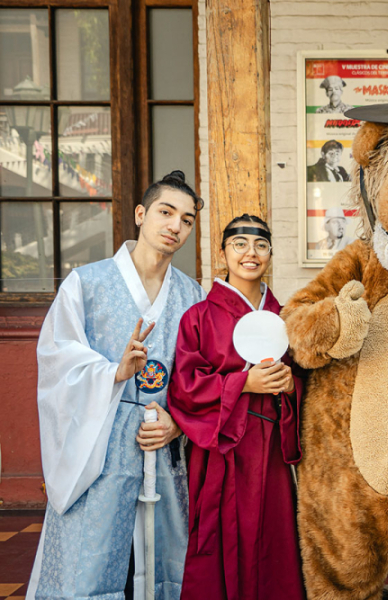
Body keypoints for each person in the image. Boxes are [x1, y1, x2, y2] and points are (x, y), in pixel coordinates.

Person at [27, 171, 205, 600]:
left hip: (162, 448)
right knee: (91, 565)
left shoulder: (193, 295)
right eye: (166, 212)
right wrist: (113, 373)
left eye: (186, 220)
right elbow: (56, 360)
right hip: (100, 449)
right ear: (141, 215)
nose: (175, 226)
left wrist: (178, 423)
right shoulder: (86, 284)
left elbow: (202, 377)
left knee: (164, 565)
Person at [168, 214, 305, 600]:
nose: (251, 253)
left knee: (276, 539)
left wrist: (288, 385)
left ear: (271, 254)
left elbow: (305, 382)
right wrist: (243, 382)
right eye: (239, 244)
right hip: (222, 449)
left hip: (273, 447)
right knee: (222, 537)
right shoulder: (198, 317)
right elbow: (185, 388)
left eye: (261, 245)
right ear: (223, 253)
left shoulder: (285, 318)